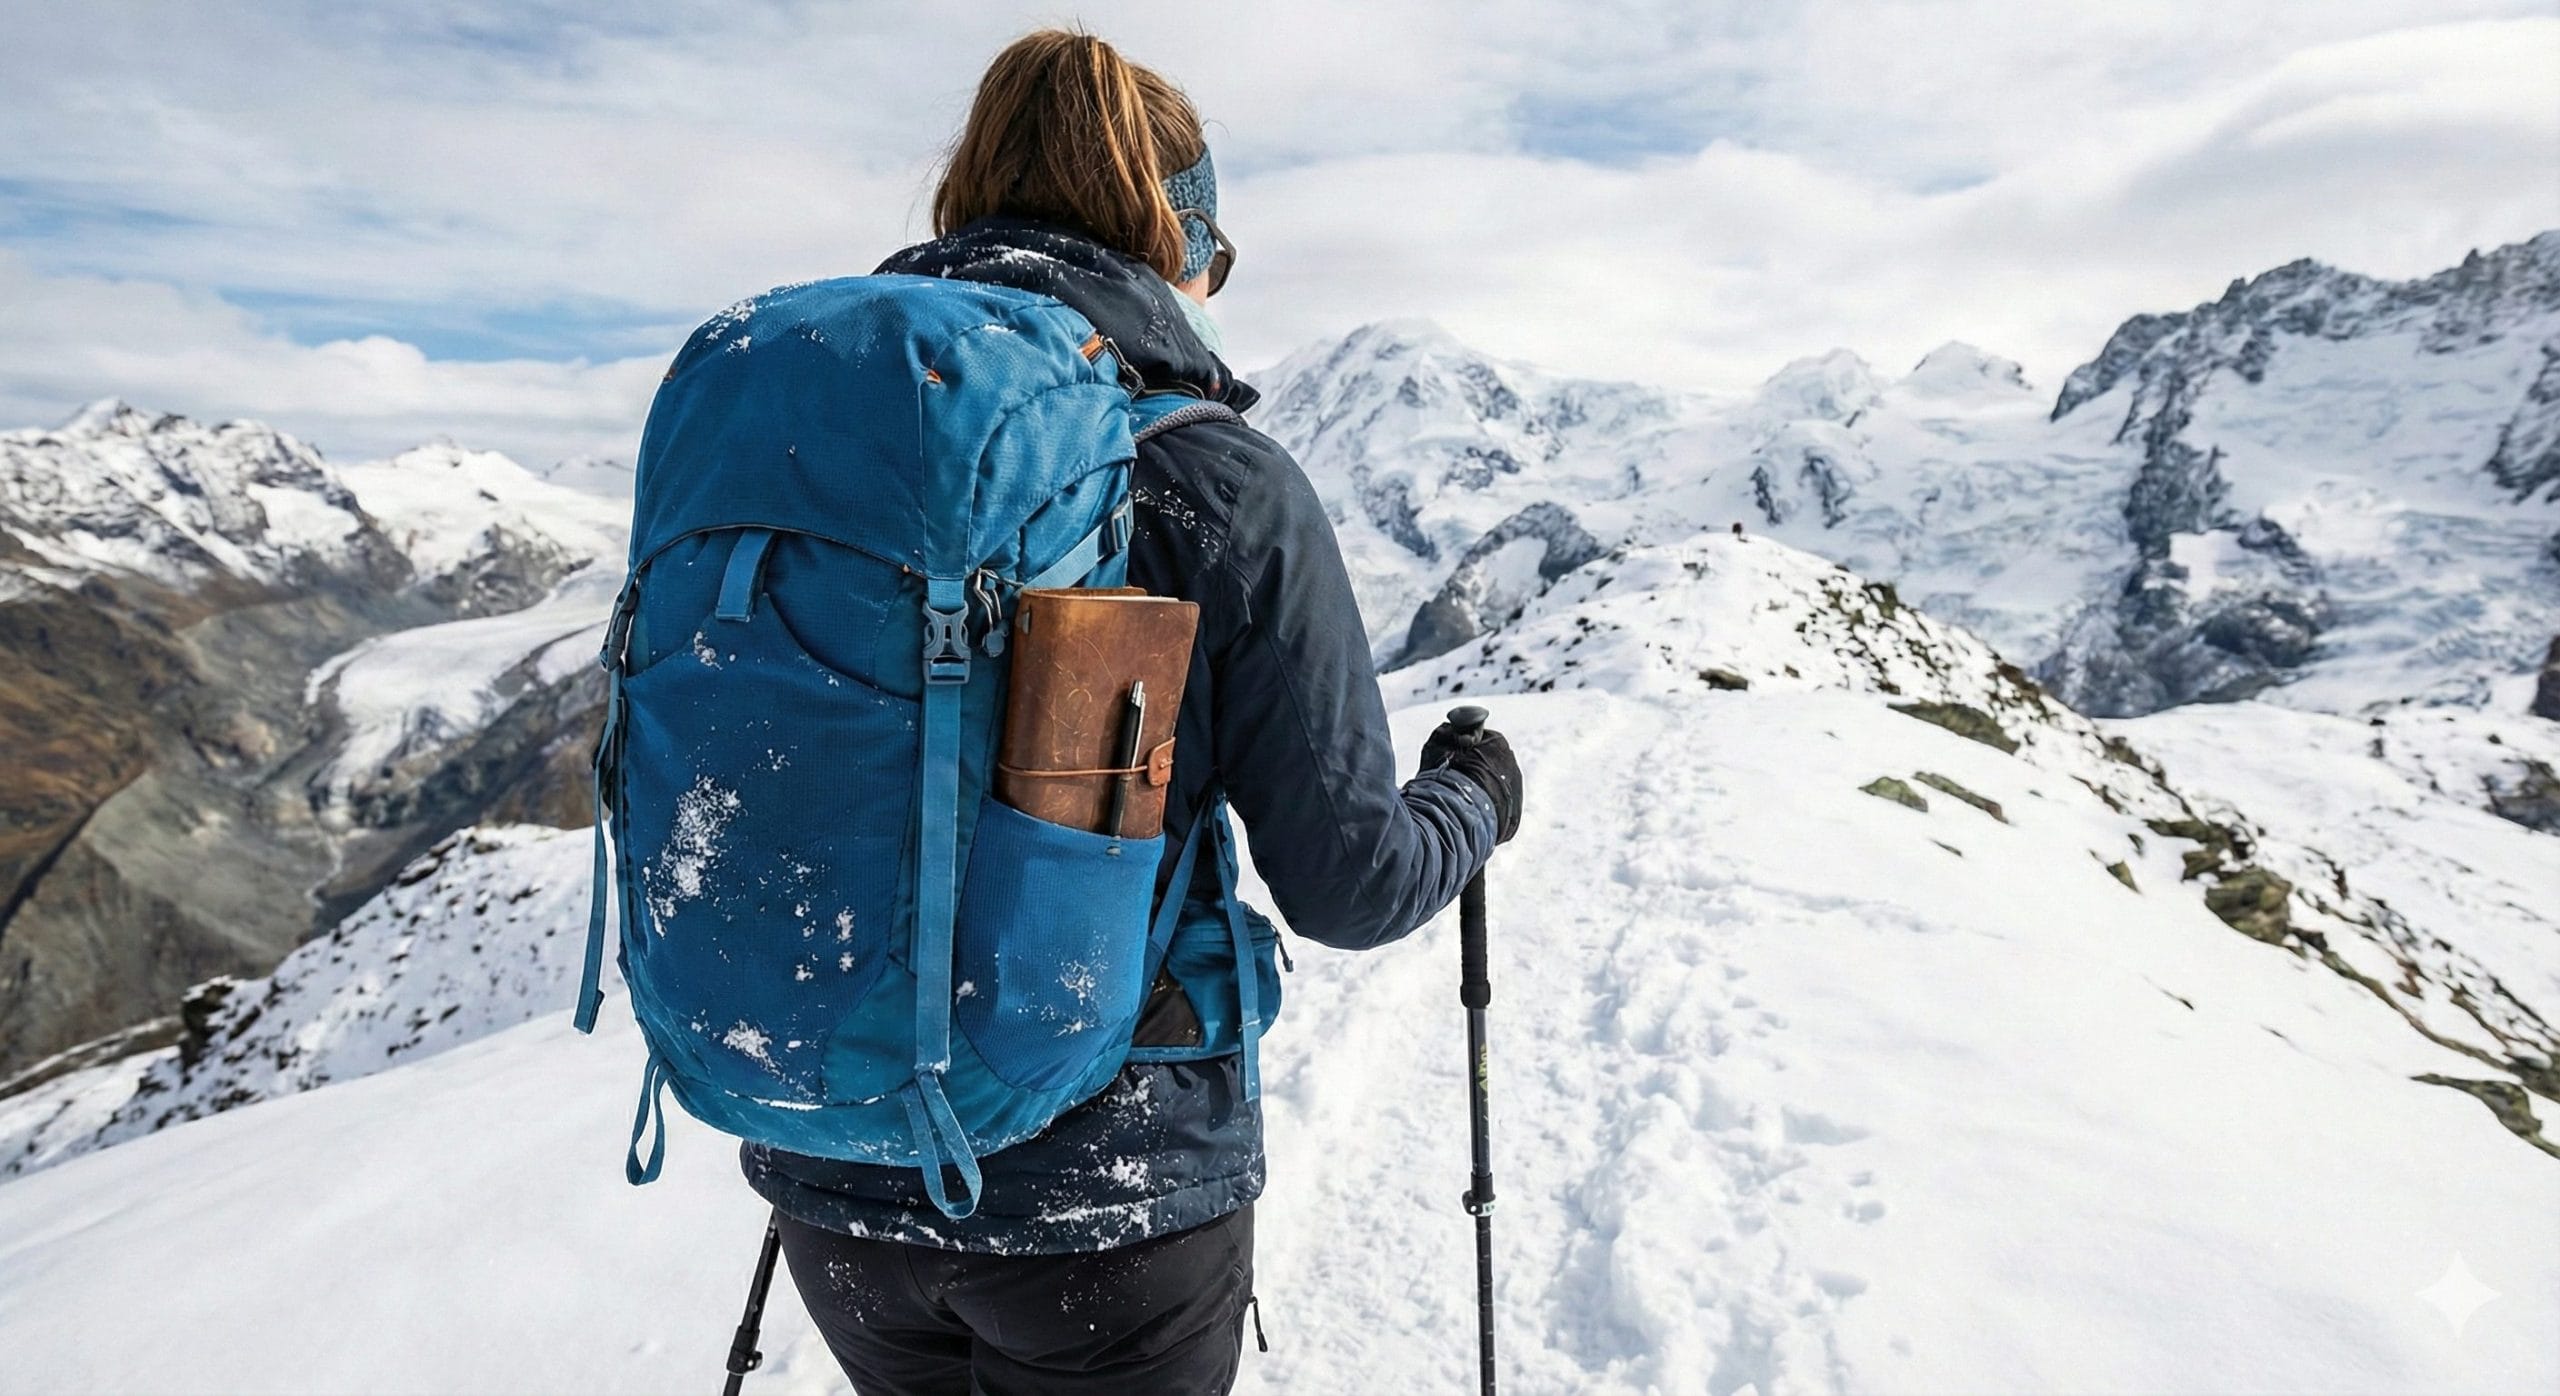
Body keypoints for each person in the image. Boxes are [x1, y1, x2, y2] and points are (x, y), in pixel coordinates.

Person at [741, 29, 1525, 1395]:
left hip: (838, 1176)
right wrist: (1475, 800)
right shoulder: (1217, 484)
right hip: (1108, 1193)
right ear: (1180, 241)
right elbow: (1350, 883)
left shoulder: (821, 452)